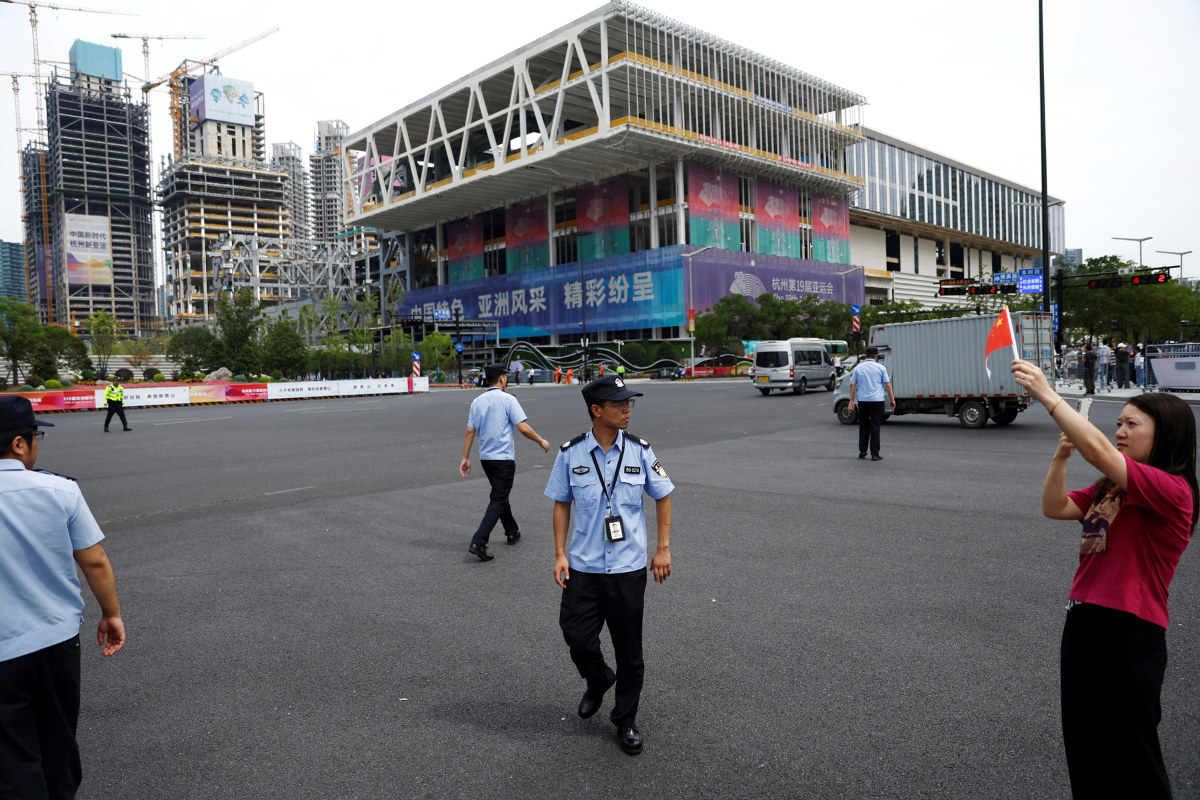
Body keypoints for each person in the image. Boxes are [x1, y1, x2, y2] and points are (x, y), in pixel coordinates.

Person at [1011, 359, 1194, 800]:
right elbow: (1054, 507)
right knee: (1085, 741)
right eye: (1118, 423)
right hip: (1084, 622)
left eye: (1133, 423)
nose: (1120, 432)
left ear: (1164, 433)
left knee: (1128, 753)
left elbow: (1100, 452)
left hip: (1129, 630)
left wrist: (1048, 395)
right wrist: (1060, 457)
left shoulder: (1172, 490)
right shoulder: (1109, 489)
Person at [0, 396, 126, 799]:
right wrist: (112, 614)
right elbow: (95, 562)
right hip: (55, 642)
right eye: (35, 436)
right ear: (20, 444)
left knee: (12, 752)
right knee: (57, 738)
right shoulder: (60, 489)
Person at [545, 375, 674, 756]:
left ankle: (625, 720)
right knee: (577, 636)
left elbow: (663, 496)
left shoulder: (640, 451)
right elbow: (560, 503)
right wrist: (559, 554)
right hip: (583, 567)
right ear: (596, 411)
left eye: (629, 403)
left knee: (629, 648)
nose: (627, 409)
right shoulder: (571, 453)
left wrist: (663, 549)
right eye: (619, 404)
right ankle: (598, 679)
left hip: (628, 568)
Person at [460, 363, 550, 561]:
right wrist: (541, 440)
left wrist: (466, 458)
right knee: (499, 498)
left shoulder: (477, 401)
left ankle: (512, 531)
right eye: (506, 376)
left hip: (486, 459)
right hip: (503, 459)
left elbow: (469, 431)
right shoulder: (508, 399)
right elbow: (523, 427)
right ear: (502, 378)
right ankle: (479, 541)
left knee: (500, 495)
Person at [847, 346, 895, 461]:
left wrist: (851, 400)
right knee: (875, 426)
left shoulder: (859, 368)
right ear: (876, 356)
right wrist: (892, 399)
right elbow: (887, 385)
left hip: (863, 401)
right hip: (877, 402)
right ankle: (875, 453)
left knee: (863, 425)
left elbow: (852, 384)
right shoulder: (881, 368)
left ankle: (862, 451)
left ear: (866, 355)